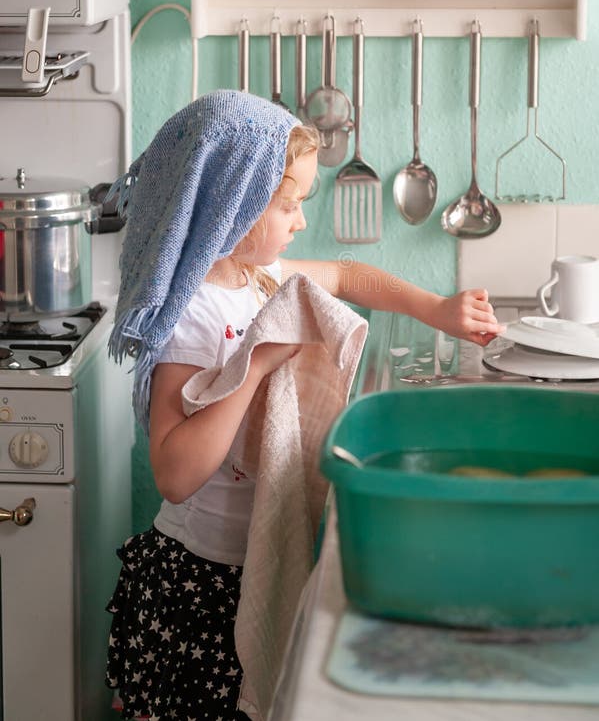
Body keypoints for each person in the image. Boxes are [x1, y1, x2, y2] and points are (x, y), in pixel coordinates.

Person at [104, 89, 504, 721]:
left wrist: (438, 309)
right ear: (231, 206)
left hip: (244, 566)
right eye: (289, 204)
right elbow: (174, 474)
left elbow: (346, 275)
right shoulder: (192, 315)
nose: (299, 220)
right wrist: (258, 362)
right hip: (197, 585)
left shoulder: (256, 278)